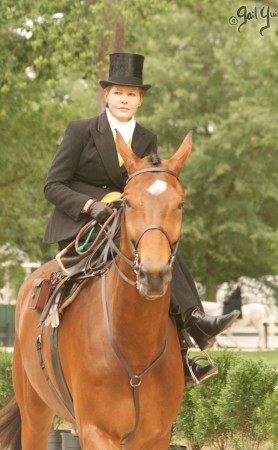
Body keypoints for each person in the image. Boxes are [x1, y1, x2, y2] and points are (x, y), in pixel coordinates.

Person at [43, 52, 239, 384]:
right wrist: (91, 205)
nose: (124, 99)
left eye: (131, 94)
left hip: (128, 220)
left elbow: (147, 187)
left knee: (159, 246)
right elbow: (53, 185)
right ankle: (52, 343)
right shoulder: (80, 131)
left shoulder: (148, 138)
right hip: (84, 222)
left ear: (140, 99)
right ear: (106, 95)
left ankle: (190, 336)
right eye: (118, 92)